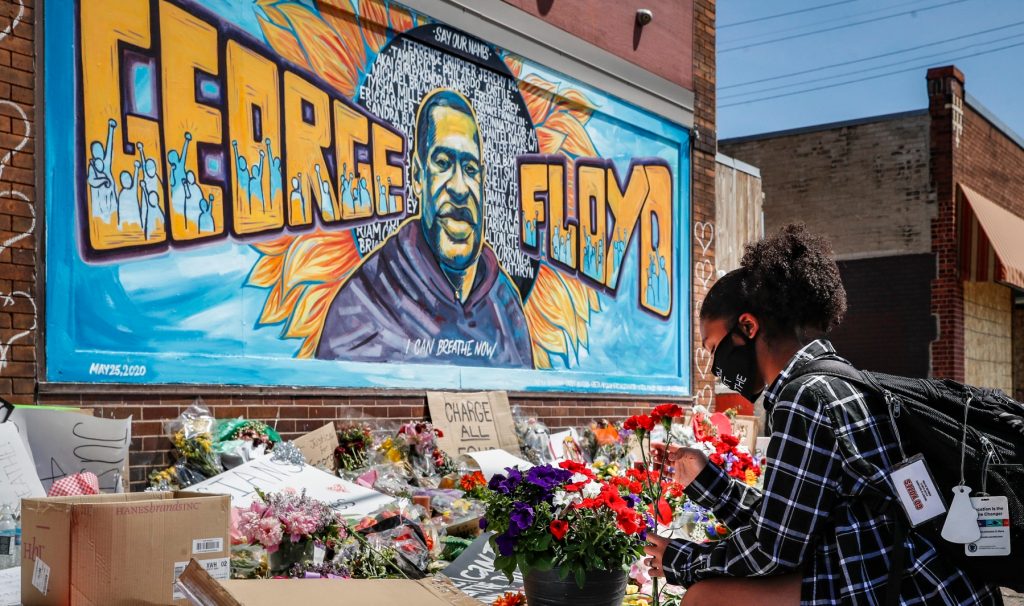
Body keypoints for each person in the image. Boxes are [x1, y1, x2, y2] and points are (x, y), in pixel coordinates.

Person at [643, 224, 1000, 605]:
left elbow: (775, 550)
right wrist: (704, 479)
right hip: (935, 585)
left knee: (705, 598)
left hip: (906, 592)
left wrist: (682, 560)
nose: (714, 368)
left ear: (747, 326)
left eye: (713, 348)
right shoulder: (838, 380)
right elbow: (786, 523)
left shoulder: (806, 399)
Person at [315, 88, 533, 368]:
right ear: (418, 177)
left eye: (470, 168)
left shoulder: (506, 305)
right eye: (443, 163)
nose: (459, 188)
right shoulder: (364, 303)